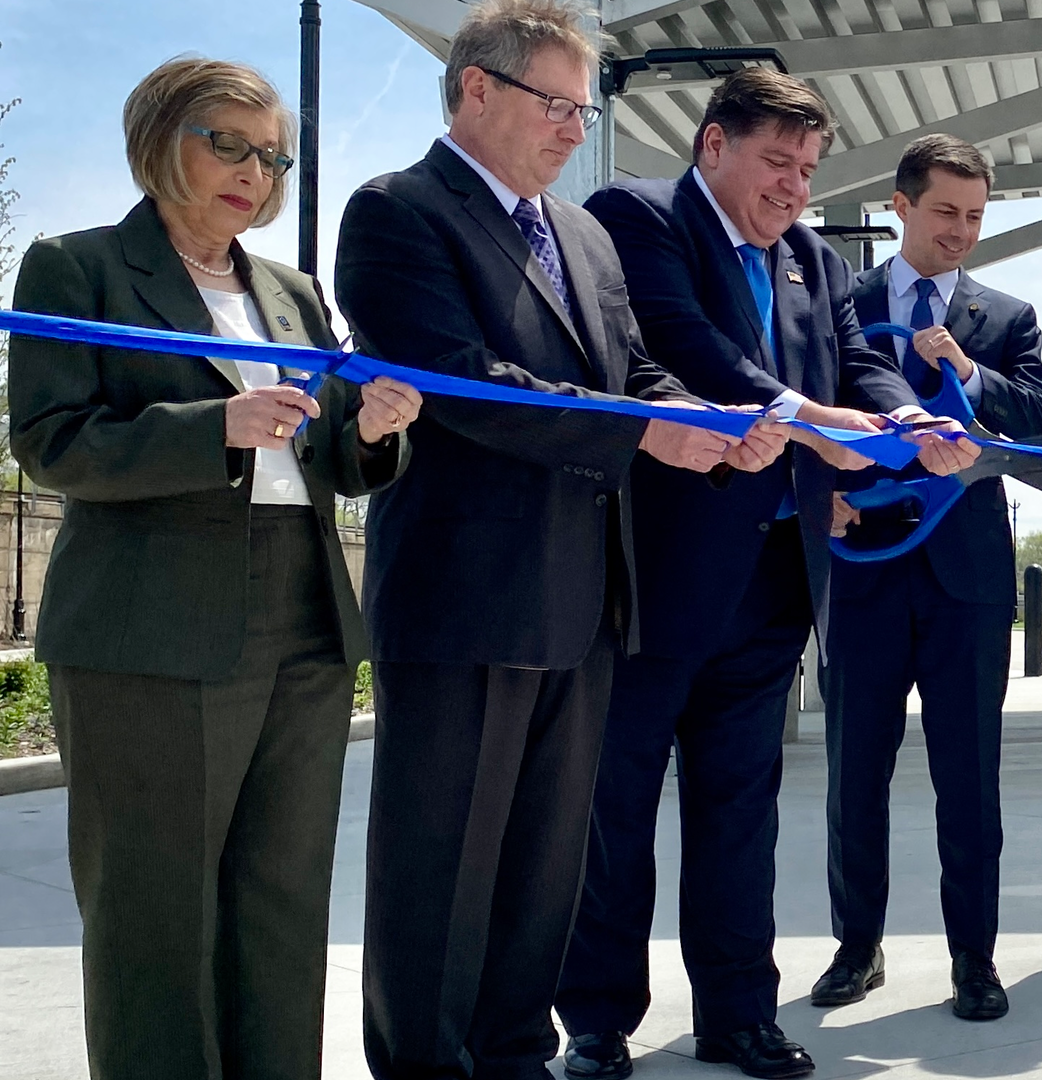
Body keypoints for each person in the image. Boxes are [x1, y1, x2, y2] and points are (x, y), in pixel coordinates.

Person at [331, 3, 738, 1076]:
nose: (574, 128)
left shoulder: (584, 234)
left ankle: (514, 1057)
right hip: (465, 599)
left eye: (582, 110)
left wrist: (701, 422)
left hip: (584, 599)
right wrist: (638, 430)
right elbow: (464, 381)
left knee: (544, 869)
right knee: (440, 870)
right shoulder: (397, 212)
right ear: (477, 88)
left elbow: (629, 367)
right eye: (556, 104)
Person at [554, 71, 978, 1080]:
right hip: (654, 577)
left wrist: (907, 416)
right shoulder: (637, 218)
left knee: (741, 809)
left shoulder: (813, 259)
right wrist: (814, 421)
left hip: (774, 579)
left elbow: (854, 362)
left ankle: (738, 1014)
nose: (794, 186)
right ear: (713, 146)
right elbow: (682, 347)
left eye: (809, 169)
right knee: (615, 808)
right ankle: (599, 1022)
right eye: (777, 161)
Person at [7, 58, 417, 1080]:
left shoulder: (293, 293)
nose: (253, 172)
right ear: (159, 138)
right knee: (154, 911)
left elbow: (331, 456)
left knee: (282, 899)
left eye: (272, 156)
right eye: (227, 143)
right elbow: (52, 443)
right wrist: (212, 427)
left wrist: (372, 430)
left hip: (304, 616)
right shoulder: (76, 266)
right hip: (148, 625)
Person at [810, 134, 1042, 1023]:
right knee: (855, 773)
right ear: (900, 206)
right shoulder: (841, 303)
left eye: (975, 217)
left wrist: (967, 370)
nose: (961, 231)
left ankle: (974, 960)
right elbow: (805, 408)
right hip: (864, 569)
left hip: (968, 578)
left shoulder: (1008, 317)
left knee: (970, 777)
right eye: (946, 211)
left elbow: (1040, 419)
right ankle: (856, 947)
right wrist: (821, 495)